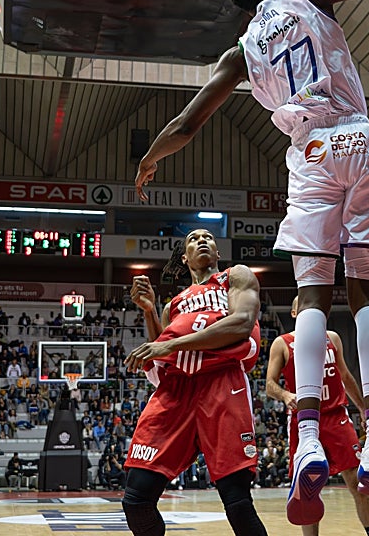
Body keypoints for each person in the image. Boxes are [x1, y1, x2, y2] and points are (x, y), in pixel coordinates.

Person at [134, 0, 369, 522]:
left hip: (310, 153)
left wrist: (151, 158)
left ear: (246, 10)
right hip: (360, 139)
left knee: (314, 299)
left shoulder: (242, 52)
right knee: (366, 291)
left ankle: (306, 440)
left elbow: (188, 123)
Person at [122, 229, 268, 536]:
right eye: (193, 238)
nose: (202, 240)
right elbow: (161, 358)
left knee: (238, 503)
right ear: (185, 258)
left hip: (222, 384)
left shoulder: (235, 276)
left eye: (208, 237)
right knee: (136, 500)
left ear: (217, 252)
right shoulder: (173, 305)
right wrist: (150, 312)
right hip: (177, 391)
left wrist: (172, 344)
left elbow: (242, 323)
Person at [265, 296, 369, 534]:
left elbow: (345, 376)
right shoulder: (282, 343)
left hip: (336, 416)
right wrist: (285, 395)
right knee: (307, 490)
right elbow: (269, 384)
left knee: (357, 482)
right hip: (304, 420)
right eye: (303, 307)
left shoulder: (333, 338)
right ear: (294, 313)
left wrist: (363, 408)